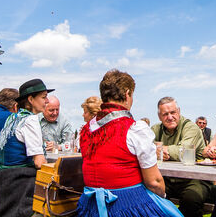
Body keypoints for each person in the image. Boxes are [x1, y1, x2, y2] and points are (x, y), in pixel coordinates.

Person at [76, 69, 180, 217]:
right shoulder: (135, 129)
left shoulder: (87, 130)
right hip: (126, 206)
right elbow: (154, 182)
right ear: (127, 94)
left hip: (91, 207)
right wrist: (162, 199)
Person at [0, 79, 52, 217]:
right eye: (43, 97)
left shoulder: (12, 118)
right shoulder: (30, 120)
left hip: (2, 181)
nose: (47, 101)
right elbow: (39, 162)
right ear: (30, 99)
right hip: (19, 184)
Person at [150, 96, 212, 217]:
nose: (169, 117)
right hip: (168, 178)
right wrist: (153, 149)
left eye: (173, 112)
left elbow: (184, 152)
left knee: (191, 199)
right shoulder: (156, 129)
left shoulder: (191, 127)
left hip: (194, 178)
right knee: (151, 195)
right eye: (165, 114)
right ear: (159, 116)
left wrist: (158, 149)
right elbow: (144, 148)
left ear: (178, 111)